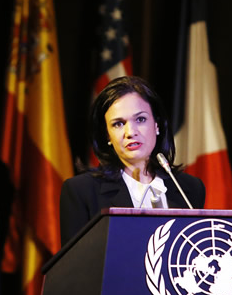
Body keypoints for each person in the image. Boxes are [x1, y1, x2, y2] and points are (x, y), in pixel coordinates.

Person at [59, 76, 205, 246]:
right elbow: (74, 267)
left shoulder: (190, 189)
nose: (130, 132)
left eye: (140, 119)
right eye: (118, 124)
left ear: (157, 125)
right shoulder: (81, 192)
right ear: (107, 135)